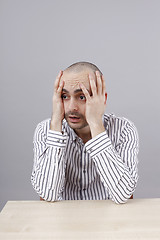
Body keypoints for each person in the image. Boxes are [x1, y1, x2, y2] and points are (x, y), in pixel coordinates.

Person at [31, 61, 139, 204]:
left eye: (82, 97)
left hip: (110, 221)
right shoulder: (45, 131)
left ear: (102, 99)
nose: (71, 107)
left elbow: (123, 194)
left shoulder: (124, 129)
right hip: (62, 221)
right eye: (64, 96)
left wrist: (96, 124)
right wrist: (56, 123)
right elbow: (48, 194)